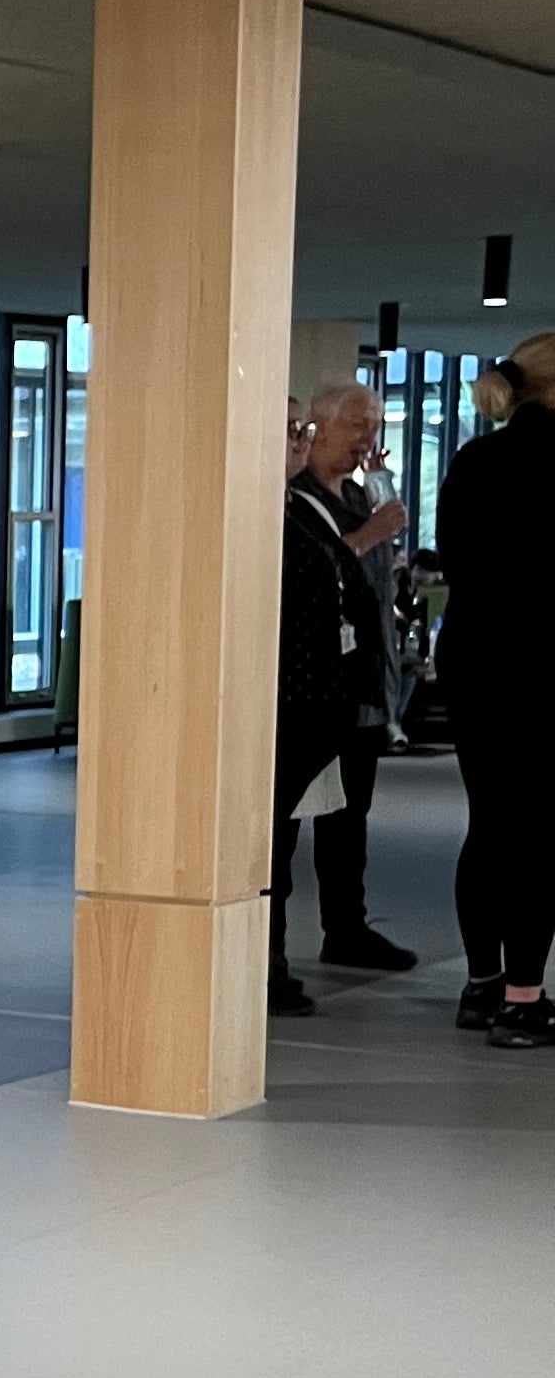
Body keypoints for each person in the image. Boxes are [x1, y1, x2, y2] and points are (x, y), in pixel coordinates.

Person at [429, 328, 555, 1051]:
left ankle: (482, 984)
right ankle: (524, 1001)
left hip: (475, 656)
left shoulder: (474, 460)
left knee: (492, 820)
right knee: (541, 830)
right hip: (544, 663)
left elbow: (454, 560)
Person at [288, 379, 415, 972]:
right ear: (319, 429)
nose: (368, 438)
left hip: (361, 679)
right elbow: (322, 568)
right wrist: (370, 535)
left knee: (351, 813)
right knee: (292, 816)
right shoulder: (299, 501)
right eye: (357, 425)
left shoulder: (361, 495)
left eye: (375, 425)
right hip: (315, 684)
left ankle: (346, 926)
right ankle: (270, 949)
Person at [270, 396, 369, 1019]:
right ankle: (264, 963)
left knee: (283, 842)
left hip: (314, 703)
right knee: (268, 845)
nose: (300, 440)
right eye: (289, 430)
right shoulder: (261, 514)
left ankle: (271, 960)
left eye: (302, 428)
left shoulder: (295, 510)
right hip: (283, 701)